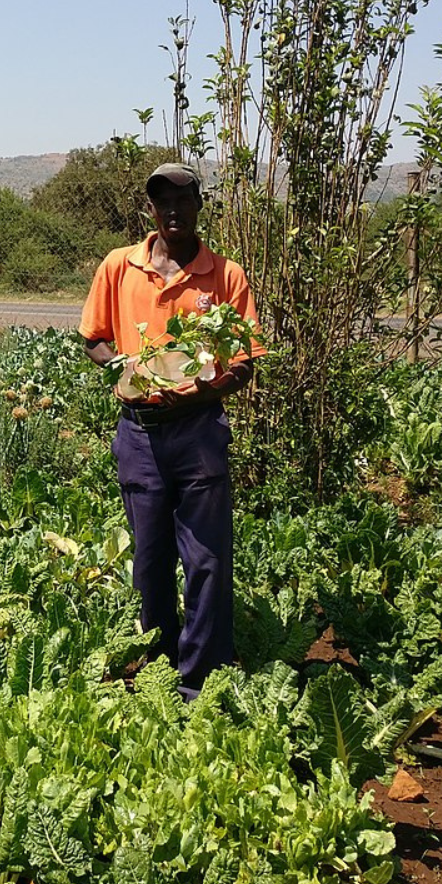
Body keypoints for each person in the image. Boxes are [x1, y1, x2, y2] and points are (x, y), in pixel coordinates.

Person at [79, 162, 264, 699]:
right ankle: (160, 661)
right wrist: (122, 368)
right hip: (138, 434)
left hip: (199, 431)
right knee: (150, 556)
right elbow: (93, 337)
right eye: (164, 202)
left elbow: (246, 360)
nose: (174, 211)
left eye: (185, 200)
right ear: (151, 209)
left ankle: (199, 680)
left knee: (206, 558)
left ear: (200, 205)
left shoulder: (225, 275)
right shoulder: (119, 266)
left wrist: (206, 389)